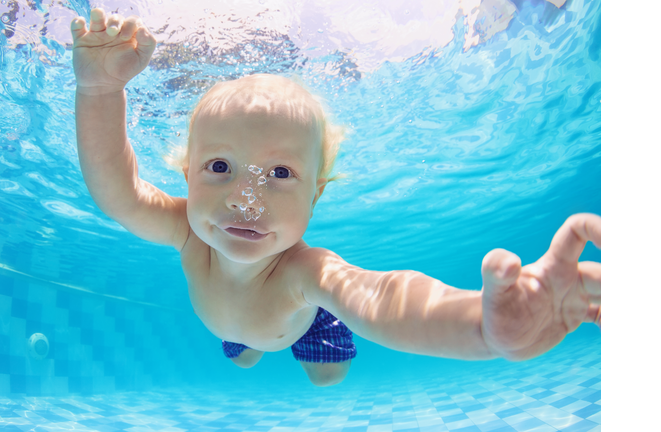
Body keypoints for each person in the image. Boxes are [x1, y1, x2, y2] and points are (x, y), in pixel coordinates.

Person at [71, 9, 601, 387]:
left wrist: (481, 328)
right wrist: (99, 91)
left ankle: (298, 344)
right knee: (243, 357)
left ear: (315, 194)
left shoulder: (308, 273)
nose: (246, 200)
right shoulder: (187, 228)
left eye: (280, 172)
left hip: (311, 320)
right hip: (239, 328)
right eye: (219, 168)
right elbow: (116, 191)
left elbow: (384, 297)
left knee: (326, 378)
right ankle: (256, 341)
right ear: (186, 178)